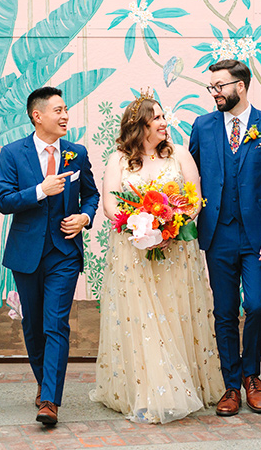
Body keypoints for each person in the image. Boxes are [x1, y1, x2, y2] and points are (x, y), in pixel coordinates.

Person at [90, 93, 224, 423]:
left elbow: (195, 198)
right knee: (141, 318)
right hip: (132, 252)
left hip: (176, 250)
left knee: (175, 313)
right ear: (139, 125)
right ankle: (146, 391)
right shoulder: (119, 159)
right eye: (158, 118)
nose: (165, 123)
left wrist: (171, 224)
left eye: (165, 117)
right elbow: (110, 205)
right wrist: (140, 225)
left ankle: (186, 385)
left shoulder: (179, 155)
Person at [188, 59, 261, 416]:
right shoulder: (202, 126)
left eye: (219, 86)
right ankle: (231, 385)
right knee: (225, 311)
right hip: (217, 233)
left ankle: (252, 375)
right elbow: (190, 178)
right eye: (211, 87)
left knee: (258, 305)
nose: (214, 93)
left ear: (240, 87)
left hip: (258, 234)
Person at [0, 87, 99, 427]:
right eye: (58, 110)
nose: (65, 115)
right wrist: (41, 190)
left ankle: (51, 401)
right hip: (26, 252)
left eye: (66, 109)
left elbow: (92, 195)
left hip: (64, 252)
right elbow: (5, 201)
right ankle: (44, 383)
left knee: (56, 323)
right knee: (33, 325)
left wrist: (85, 218)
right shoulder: (12, 154)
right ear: (37, 116)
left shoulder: (77, 153)